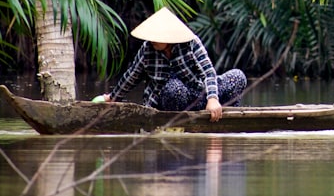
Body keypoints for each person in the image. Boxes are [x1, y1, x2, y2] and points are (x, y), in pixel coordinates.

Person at [100, 7, 247, 121]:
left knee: (237, 77)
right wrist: (113, 98)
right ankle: (179, 123)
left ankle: (220, 115)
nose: (152, 40)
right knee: (174, 89)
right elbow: (131, 77)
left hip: (195, 95)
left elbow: (208, 72)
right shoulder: (147, 49)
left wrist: (213, 98)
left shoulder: (190, 43)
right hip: (167, 101)